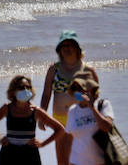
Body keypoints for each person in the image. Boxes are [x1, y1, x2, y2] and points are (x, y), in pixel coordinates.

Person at [38, 31, 96, 165]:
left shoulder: (87, 70)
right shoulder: (54, 69)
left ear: (77, 48)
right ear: (59, 50)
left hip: (80, 119)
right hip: (59, 119)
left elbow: (94, 97)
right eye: (63, 46)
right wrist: (42, 116)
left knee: (77, 159)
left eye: (70, 45)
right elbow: (46, 94)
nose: (66, 48)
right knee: (62, 160)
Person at [0, 74, 63, 165]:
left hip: (30, 154)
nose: (25, 90)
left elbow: (59, 129)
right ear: (13, 91)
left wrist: (43, 144)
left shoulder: (35, 111)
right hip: (9, 153)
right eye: (22, 87)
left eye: (28, 87)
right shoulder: (7, 108)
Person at [61, 75, 114, 165]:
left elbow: (106, 127)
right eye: (75, 89)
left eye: (80, 89)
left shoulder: (103, 105)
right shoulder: (72, 110)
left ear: (91, 91)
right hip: (76, 162)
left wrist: (91, 107)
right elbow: (68, 139)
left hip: (100, 162)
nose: (77, 92)